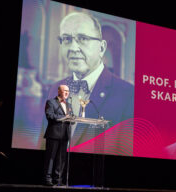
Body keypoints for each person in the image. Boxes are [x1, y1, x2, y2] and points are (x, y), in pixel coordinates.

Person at [48, 12, 134, 147]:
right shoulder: (55, 89)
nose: (73, 48)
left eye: (82, 39)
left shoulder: (128, 95)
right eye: (66, 39)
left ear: (101, 48)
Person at [43, 85, 72, 186]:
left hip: (65, 135)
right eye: (65, 91)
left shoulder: (68, 105)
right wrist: (64, 117)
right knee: (50, 157)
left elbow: (70, 119)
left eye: (68, 91)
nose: (67, 93)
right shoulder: (51, 102)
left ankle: (58, 179)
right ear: (59, 91)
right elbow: (50, 115)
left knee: (61, 158)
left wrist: (72, 119)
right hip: (53, 134)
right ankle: (48, 179)